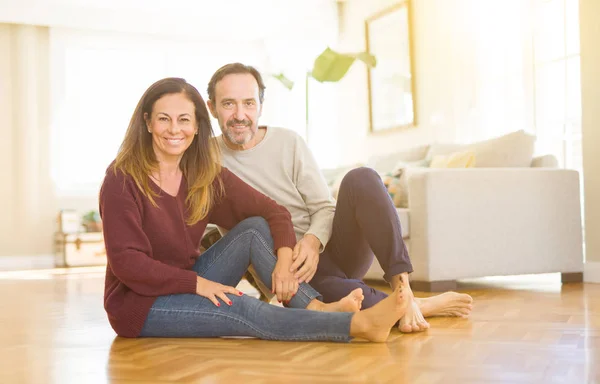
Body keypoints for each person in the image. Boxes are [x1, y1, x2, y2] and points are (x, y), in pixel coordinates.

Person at [99, 77, 408, 342]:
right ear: (147, 122)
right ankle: (359, 326)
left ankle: (317, 309)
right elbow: (128, 264)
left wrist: (285, 259)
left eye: (184, 119)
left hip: (186, 278)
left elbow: (274, 212)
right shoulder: (121, 178)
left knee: (254, 229)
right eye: (164, 118)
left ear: (196, 127)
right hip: (139, 304)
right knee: (241, 305)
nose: (174, 129)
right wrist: (200, 284)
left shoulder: (203, 174)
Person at [206, 63, 474, 333]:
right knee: (347, 299)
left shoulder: (289, 142)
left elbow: (324, 207)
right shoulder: (203, 160)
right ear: (212, 107)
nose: (240, 115)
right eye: (228, 104)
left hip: (332, 247)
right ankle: (414, 305)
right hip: (288, 270)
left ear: (260, 106)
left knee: (362, 178)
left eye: (249, 103)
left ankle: (403, 287)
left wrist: (312, 241)